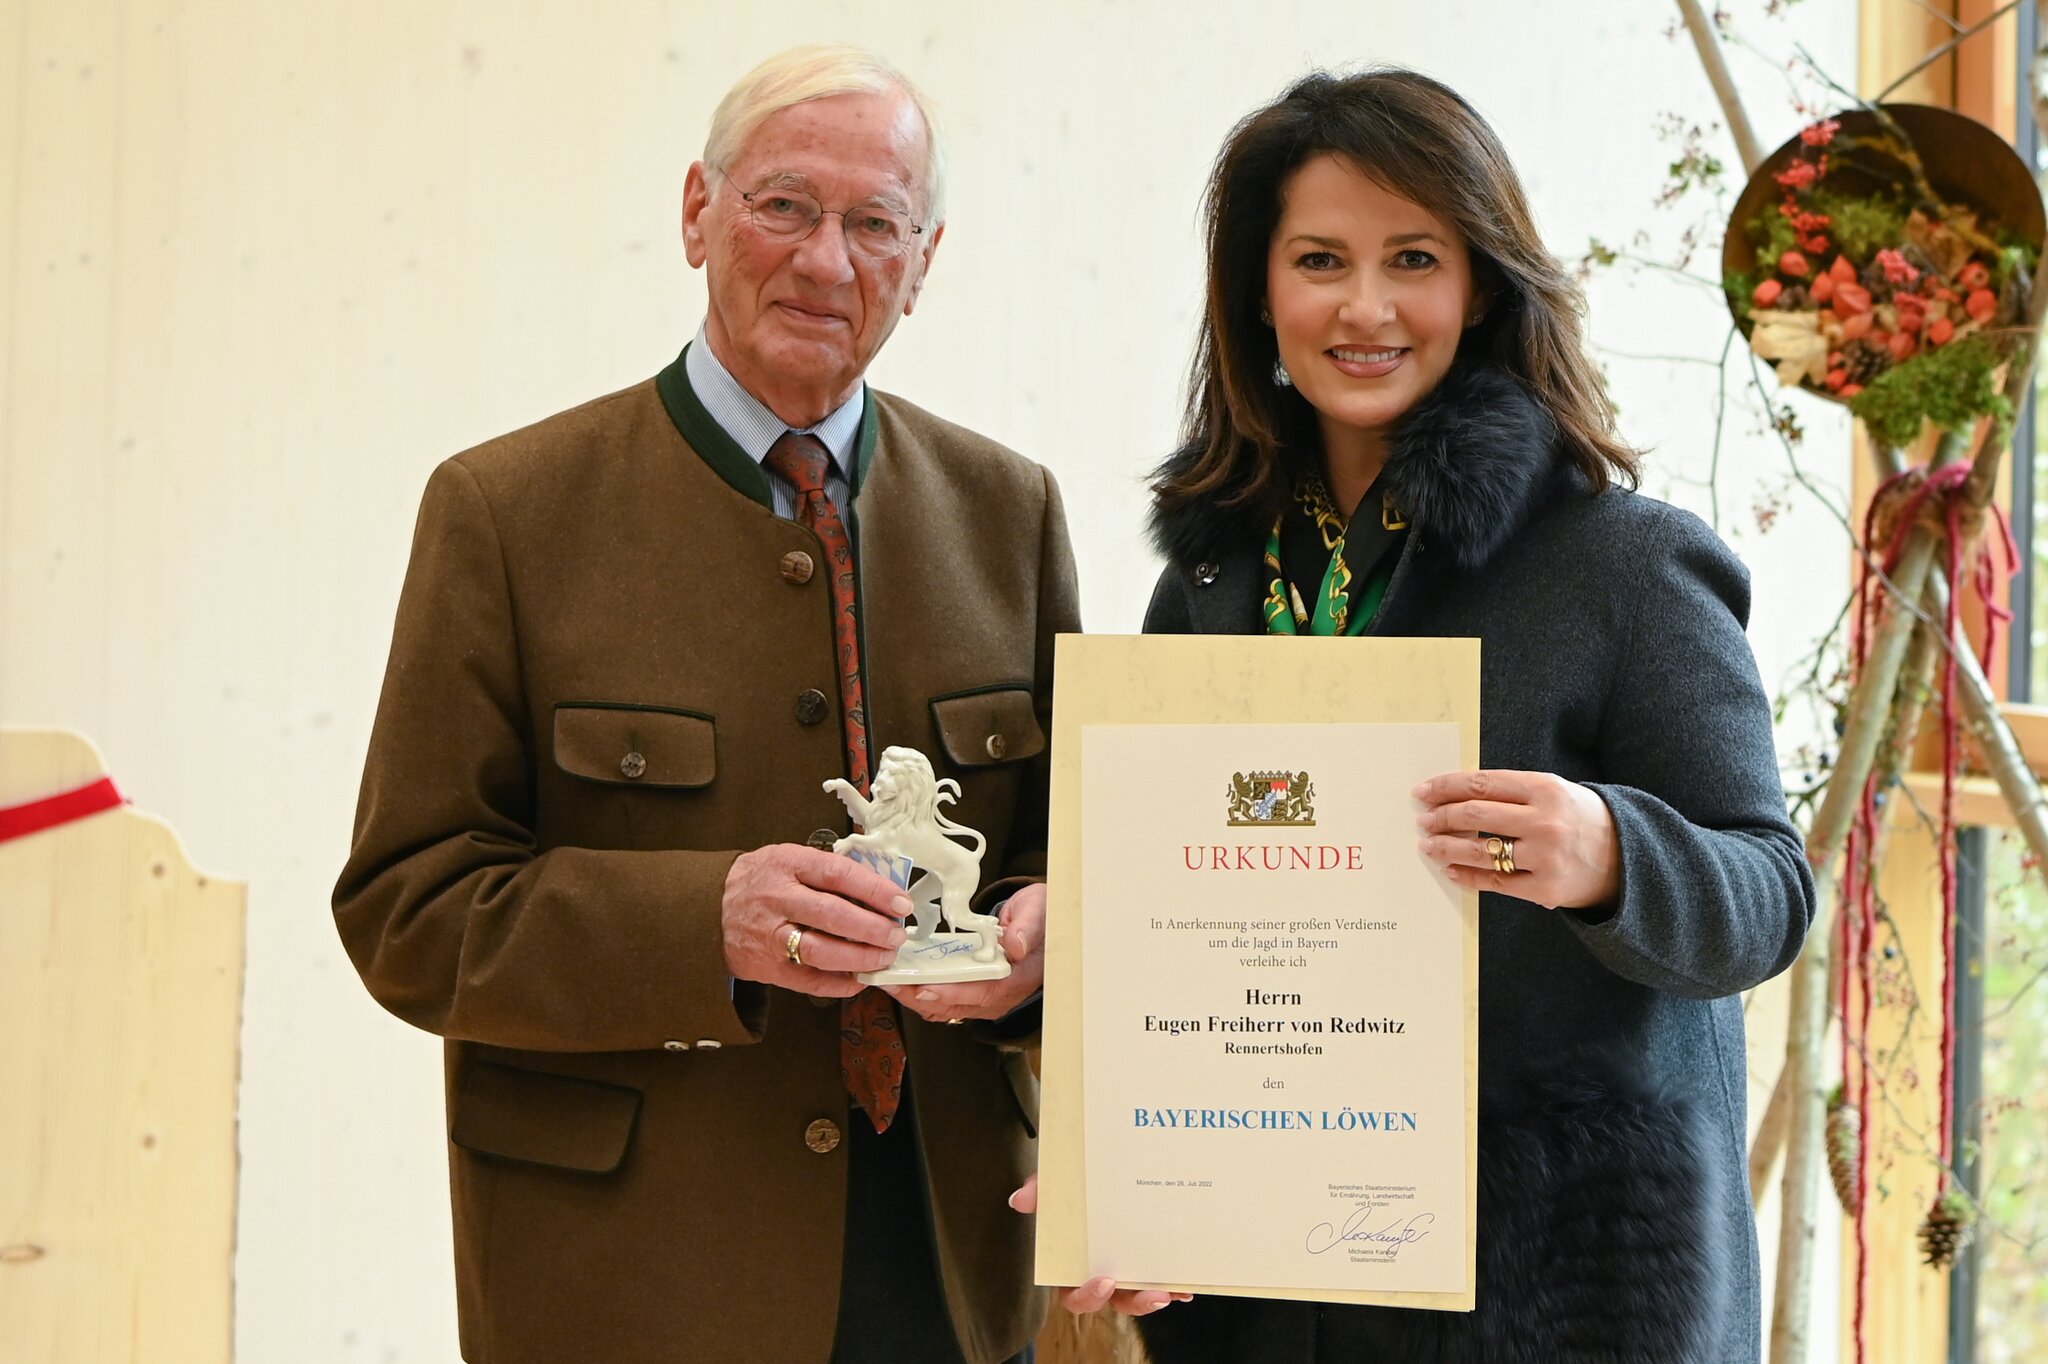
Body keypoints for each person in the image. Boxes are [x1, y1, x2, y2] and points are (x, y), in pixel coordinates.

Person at [1048, 68, 1815, 1363]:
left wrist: (1610, 854)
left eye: (1414, 259)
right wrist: (1130, 1178)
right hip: (1265, 1282)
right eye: (1319, 260)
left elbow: (1771, 895)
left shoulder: (1625, 564)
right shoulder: (1213, 580)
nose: (1366, 307)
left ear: (1484, 288)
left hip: (1551, 1297)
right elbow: (1161, 924)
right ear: (1259, 292)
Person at [333, 44, 1075, 1364]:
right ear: (698, 212)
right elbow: (407, 911)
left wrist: (1032, 955)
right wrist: (703, 925)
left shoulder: (1009, 512)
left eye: (876, 224)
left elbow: (1059, 872)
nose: (826, 261)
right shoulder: (505, 514)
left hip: (953, 1279)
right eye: (784, 205)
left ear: (925, 260)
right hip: (630, 1285)